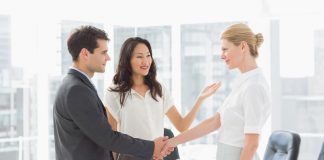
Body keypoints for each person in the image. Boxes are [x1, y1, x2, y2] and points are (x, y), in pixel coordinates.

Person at [53, 26, 171, 160]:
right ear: (85, 53)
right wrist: (151, 147)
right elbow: (107, 138)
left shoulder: (72, 84)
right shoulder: (77, 90)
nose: (108, 58)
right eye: (103, 52)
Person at [161, 23, 271, 160]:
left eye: (225, 49)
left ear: (243, 46)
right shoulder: (243, 83)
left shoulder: (253, 87)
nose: (221, 55)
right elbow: (215, 121)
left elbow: (251, 145)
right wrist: (172, 142)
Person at [103, 37, 221, 160]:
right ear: (127, 60)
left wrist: (200, 99)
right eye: (139, 57)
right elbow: (112, 139)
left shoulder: (158, 89)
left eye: (148, 55)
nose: (146, 61)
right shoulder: (115, 92)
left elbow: (182, 125)